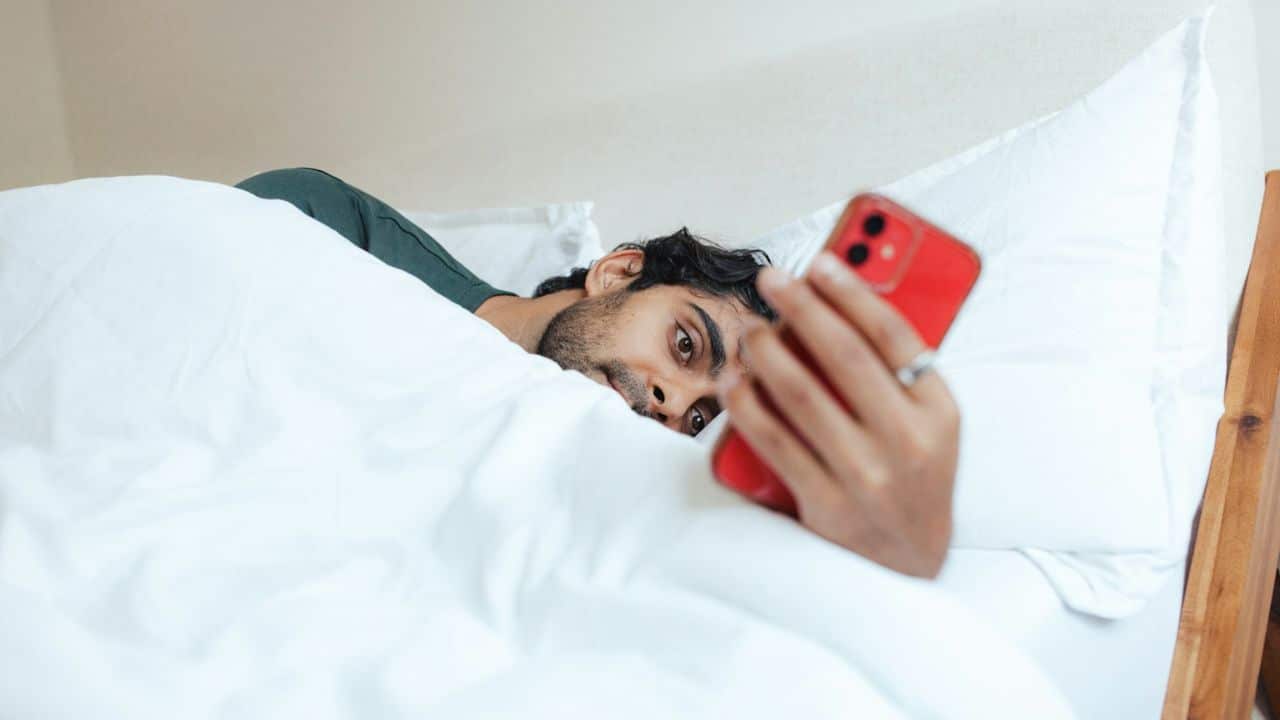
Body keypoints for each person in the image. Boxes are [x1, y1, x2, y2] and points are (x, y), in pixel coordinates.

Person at [237, 167, 960, 578]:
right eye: (685, 345)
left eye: (701, 420)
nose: (672, 404)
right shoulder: (331, 228)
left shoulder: (589, 496)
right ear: (618, 274)